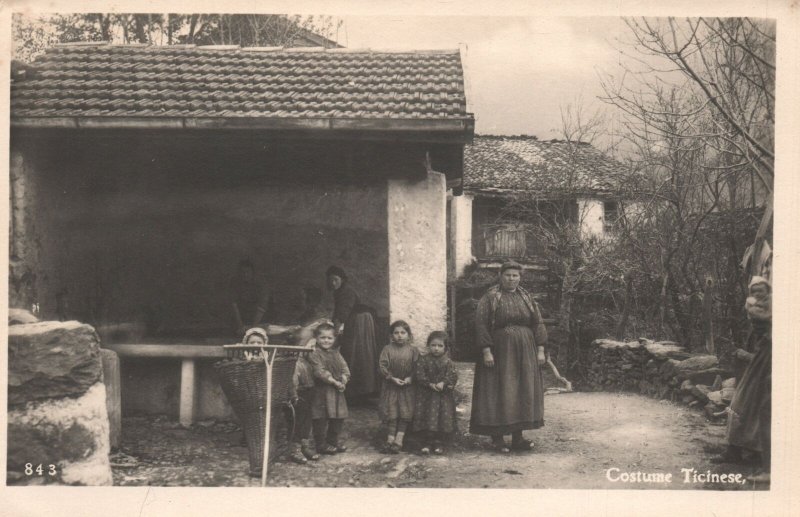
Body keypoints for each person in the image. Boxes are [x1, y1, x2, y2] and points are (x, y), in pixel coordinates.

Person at [470, 260, 548, 453]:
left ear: (520, 278)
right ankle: (497, 439)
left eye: (515, 275)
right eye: (508, 275)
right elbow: (481, 325)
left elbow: (538, 323)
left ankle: (517, 438)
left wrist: (540, 350)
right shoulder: (490, 298)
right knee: (499, 391)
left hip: (525, 352)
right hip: (500, 352)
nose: (512, 279)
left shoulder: (526, 297)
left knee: (521, 390)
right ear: (500, 276)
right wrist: (486, 351)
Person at [715, 276, 772, 482]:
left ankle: (753, 453)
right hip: (759, 359)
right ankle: (736, 450)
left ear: (768, 290)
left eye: (761, 290)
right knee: (742, 402)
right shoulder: (757, 308)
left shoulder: (770, 308)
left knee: (756, 406)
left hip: (766, 360)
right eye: (754, 291)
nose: (758, 294)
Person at [326, 266, 379, 400]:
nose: (333, 283)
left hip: (360, 323)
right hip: (354, 321)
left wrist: (334, 334)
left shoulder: (347, 292)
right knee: (353, 354)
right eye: (330, 280)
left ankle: (360, 392)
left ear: (342, 280)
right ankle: (356, 392)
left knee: (357, 354)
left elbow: (342, 314)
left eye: (336, 280)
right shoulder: (338, 292)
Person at [413, 331, 458, 455]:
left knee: (441, 418)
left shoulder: (448, 362)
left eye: (440, 346)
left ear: (445, 347)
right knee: (427, 417)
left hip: (442, 397)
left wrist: (444, 383)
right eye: (433, 345)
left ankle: (439, 443)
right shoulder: (423, 360)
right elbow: (419, 375)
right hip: (427, 396)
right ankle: (427, 442)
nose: (436, 349)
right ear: (428, 346)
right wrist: (429, 384)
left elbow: (452, 376)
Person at [308, 323, 350, 455]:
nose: (326, 341)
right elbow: (319, 371)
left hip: (337, 392)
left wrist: (344, 378)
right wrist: (333, 381)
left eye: (329, 338)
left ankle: (333, 441)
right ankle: (320, 444)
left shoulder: (336, 353)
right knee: (321, 417)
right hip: (321, 391)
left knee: (338, 416)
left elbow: (345, 367)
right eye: (323, 338)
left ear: (334, 339)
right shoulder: (314, 354)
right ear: (316, 338)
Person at [378, 320, 419, 454]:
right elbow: (382, 366)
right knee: (392, 413)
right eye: (396, 333)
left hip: (407, 388)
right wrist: (391, 378)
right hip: (391, 387)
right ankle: (389, 440)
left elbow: (417, 367)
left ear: (409, 335)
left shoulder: (413, 350)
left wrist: (410, 378)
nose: (399, 335)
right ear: (391, 335)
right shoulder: (387, 349)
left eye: (403, 332)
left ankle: (399, 440)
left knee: (405, 413)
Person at [285, 340, 321, 465]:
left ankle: (304, 446)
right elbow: (292, 381)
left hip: (310, 393)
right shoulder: (295, 363)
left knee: (307, 422)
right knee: (297, 422)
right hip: (299, 394)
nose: (313, 350)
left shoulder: (311, 362)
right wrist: (294, 395)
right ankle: (294, 449)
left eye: (315, 347)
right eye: (310, 347)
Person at [230, 259, 269, 338]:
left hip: (258, 321)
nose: (245, 274)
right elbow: (234, 305)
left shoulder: (260, 286)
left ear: (252, 273)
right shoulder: (235, 286)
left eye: (247, 272)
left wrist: (253, 328)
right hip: (241, 322)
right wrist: (240, 326)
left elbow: (262, 307)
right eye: (242, 272)